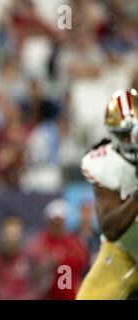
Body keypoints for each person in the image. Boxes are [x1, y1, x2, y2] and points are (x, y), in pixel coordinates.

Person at [77, 89, 138, 299]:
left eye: (132, 133)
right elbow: (110, 229)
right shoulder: (105, 163)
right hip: (125, 250)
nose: (129, 141)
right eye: (122, 134)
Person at [27, 198, 89, 300]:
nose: (57, 226)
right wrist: (49, 264)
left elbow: (83, 268)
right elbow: (33, 276)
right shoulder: (40, 243)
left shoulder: (74, 243)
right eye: (54, 222)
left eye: (60, 222)